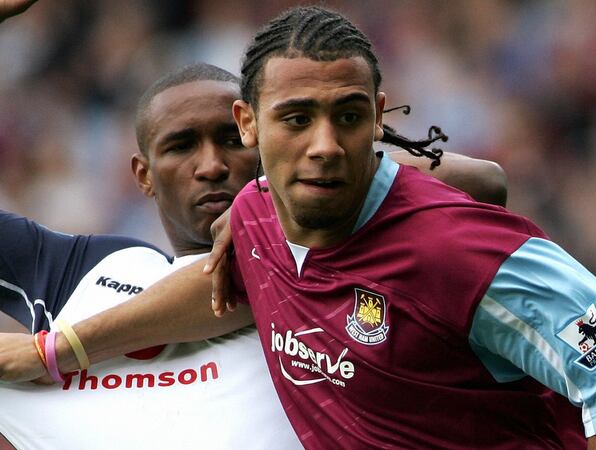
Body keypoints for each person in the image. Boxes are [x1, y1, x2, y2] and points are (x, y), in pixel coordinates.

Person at [0, 5, 596, 449]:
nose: (322, 145)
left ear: (376, 119)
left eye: (346, 117)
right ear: (251, 124)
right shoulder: (244, 227)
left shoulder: (454, 247)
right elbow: (216, 288)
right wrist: (57, 352)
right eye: (296, 120)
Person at [0, 57, 508, 449]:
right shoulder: (88, 271)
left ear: (261, 138)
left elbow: (482, 181)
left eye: (231, 140)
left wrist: (281, 204)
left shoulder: (339, 254)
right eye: (181, 147)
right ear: (143, 175)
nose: (212, 165)